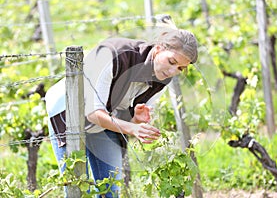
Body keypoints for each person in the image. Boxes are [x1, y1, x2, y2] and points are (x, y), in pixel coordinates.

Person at [45, 27, 198, 197]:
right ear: (159, 48)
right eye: (171, 61)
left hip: (105, 121)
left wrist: (135, 120)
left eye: (180, 68)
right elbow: (93, 112)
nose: (172, 71)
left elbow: (126, 116)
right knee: (78, 189)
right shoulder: (114, 55)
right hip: (69, 113)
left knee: (111, 190)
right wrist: (132, 128)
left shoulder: (162, 78)